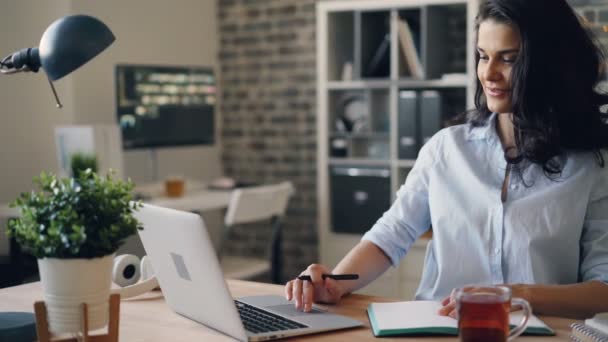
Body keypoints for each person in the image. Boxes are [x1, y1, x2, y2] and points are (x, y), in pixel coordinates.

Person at [286, 0, 608, 319]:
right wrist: (336, 283)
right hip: (437, 329)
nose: (489, 73)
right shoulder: (446, 149)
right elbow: (392, 233)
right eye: (483, 57)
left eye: (509, 59)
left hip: (534, 333)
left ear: (549, 65)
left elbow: (603, 288)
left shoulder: (591, 166)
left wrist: (518, 296)